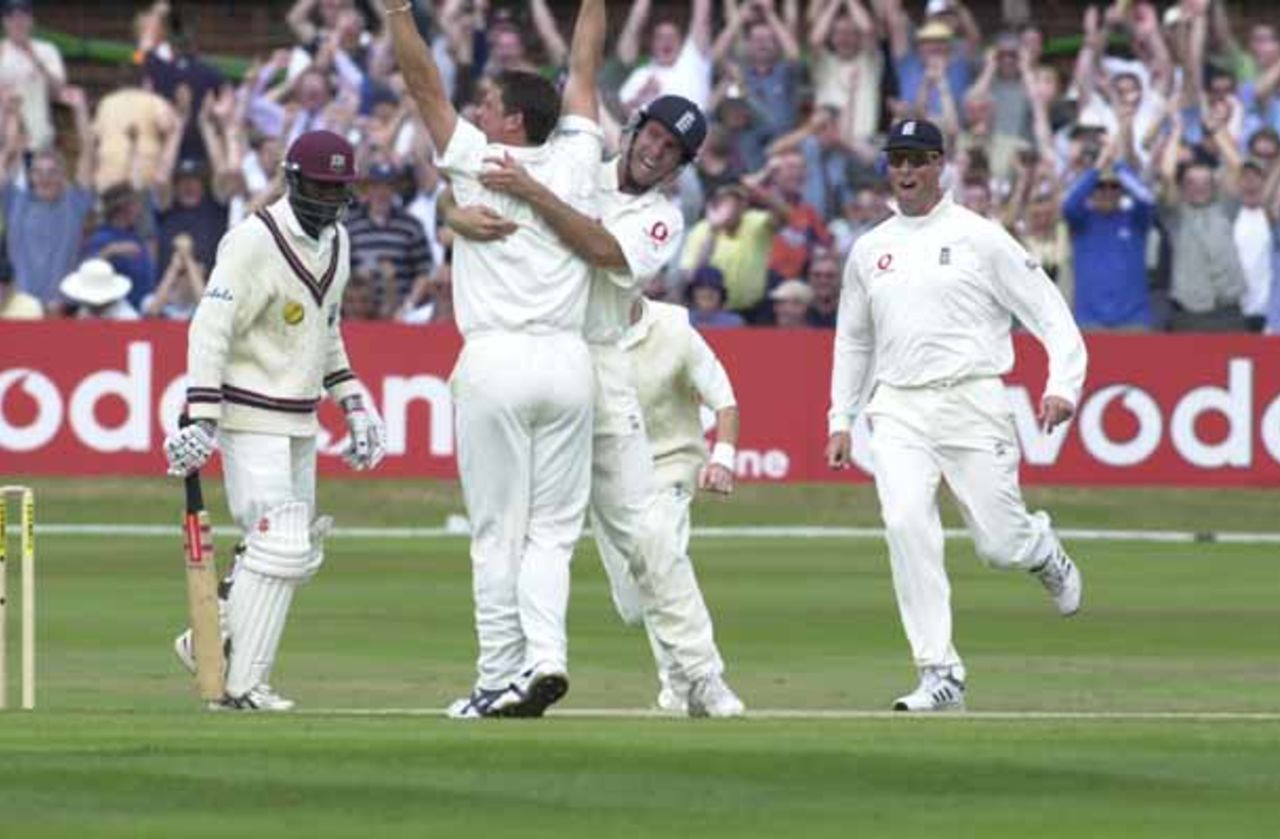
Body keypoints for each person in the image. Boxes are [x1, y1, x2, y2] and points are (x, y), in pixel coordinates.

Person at [444, 91, 745, 717]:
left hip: (603, 364)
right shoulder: (576, 163)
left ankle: (702, 676)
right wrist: (453, 215)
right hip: (536, 348)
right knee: (520, 531)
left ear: (681, 166)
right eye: (652, 136)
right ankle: (513, 672)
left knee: (649, 537)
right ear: (633, 129)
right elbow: (471, 186)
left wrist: (535, 193)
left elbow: (604, 251)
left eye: (671, 150)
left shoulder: (663, 218)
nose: (655, 152)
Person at [386, 0, 605, 719]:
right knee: (552, 534)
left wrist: (396, 12)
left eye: (488, 104)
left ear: (513, 122)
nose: (476, 111)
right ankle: (547, 658)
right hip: (570, 365)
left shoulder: (483, 160)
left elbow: (423, 85)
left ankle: (497, 676)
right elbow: (585, 66)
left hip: (498, 358)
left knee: (496, 532)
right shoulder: (577, 157)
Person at [826, 118, 1087, 712]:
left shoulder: (981, 237)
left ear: (939, 165)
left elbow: (1050, 314)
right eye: (897, 161)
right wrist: (840, 417)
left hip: (973, 399)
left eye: (917, 160)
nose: (906, 171)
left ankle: (1040, 549)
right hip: (898, 407)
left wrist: (1062, 385)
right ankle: (939, 671)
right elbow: (854, 340)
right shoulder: (870, 249)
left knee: (1000, 545)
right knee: (904, 522)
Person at [163, 129, 387, 711]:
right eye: (320, 186)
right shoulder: (251, 240)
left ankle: (209, 639)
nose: (329, 199)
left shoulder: (337, 243)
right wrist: (203, 419)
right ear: (293, 180)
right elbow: (209, 328)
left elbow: (327, 331)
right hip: (248, 412)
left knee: (295, 551)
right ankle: (241, 687)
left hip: (300, 417)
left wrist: (353, 401)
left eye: (338, 188)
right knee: (279, 543)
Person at [604, 296, 740, 713]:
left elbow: (724, 400)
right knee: (635, 602)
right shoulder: (581, 327)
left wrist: (722, 459)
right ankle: (682, 687)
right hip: (611, 476)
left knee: (660, 549)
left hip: (672, 463)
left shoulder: (675, 328)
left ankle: (704, 677)